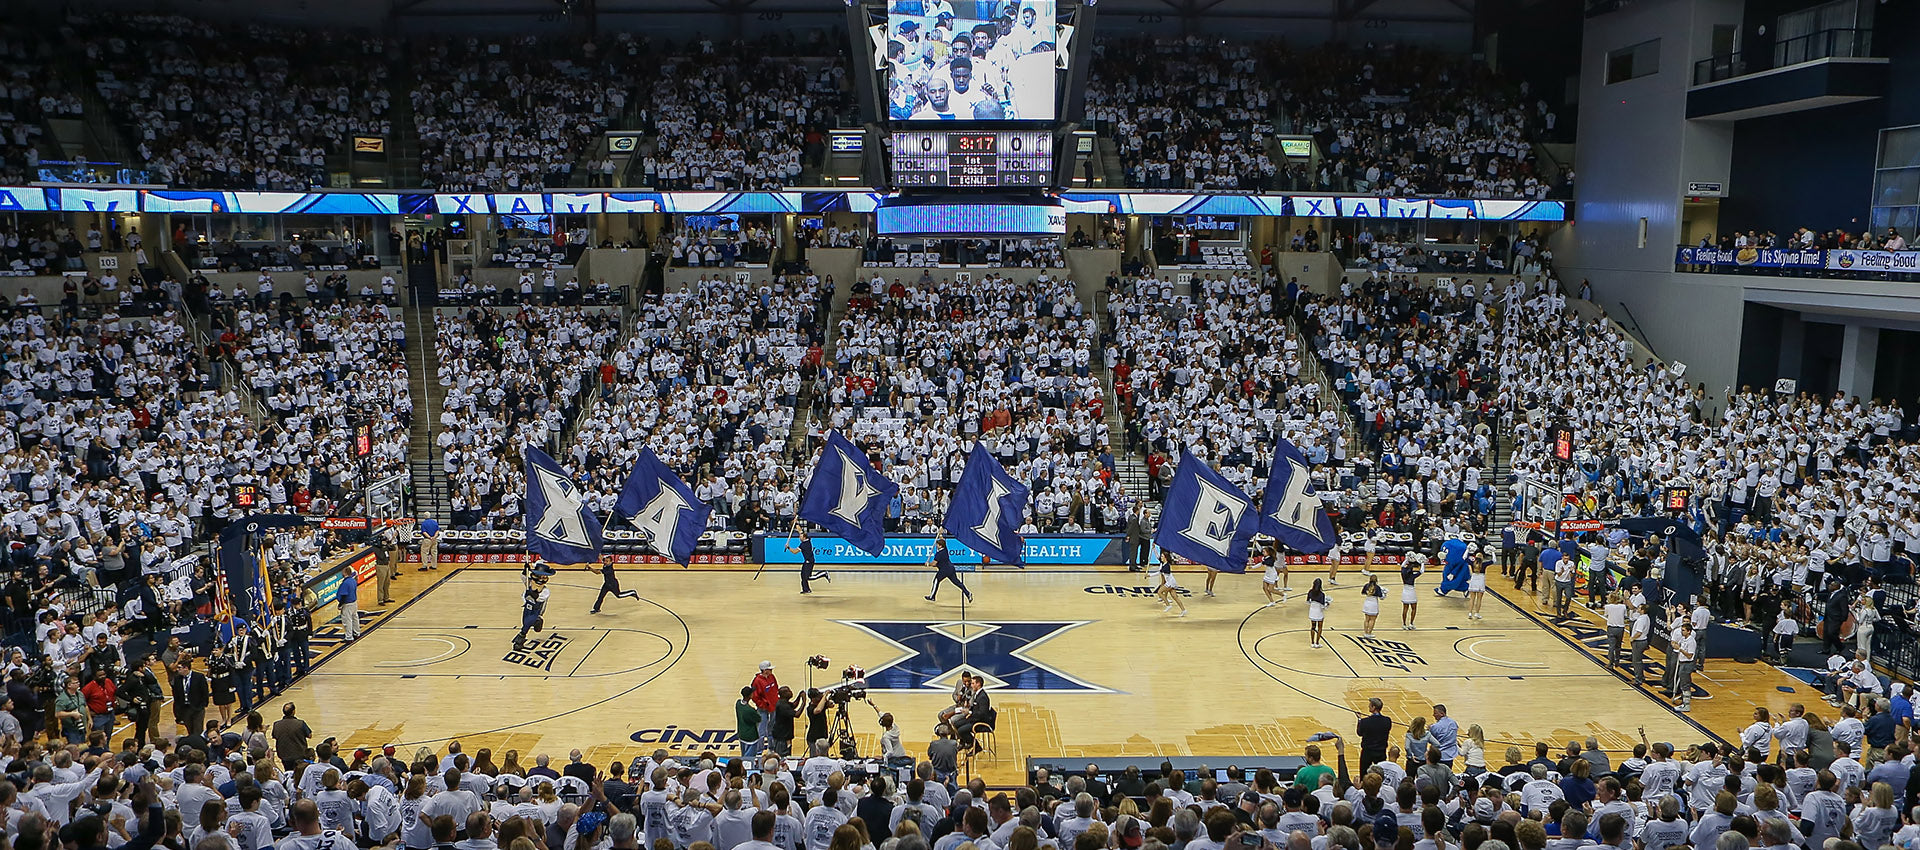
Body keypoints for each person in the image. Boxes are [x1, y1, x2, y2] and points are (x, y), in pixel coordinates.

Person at [514, 565, 554, 651]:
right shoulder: (529, 583)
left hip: (536, 610)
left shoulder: (545, 591)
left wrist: (533, 594)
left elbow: (539, 599)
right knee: (525, 621)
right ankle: (536, 622)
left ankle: (521, 638)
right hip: (527, 607)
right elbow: (523, 578)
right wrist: (525, 570)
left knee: (527, 624)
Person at [926, 533, 972, 603]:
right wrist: (940, 535)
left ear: (940, 546)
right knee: (957, 582)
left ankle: (932, 596)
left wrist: (928, 564)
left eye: (937, 544)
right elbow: (943, 540)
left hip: (944, 570)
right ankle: (968, 593)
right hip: (951, 568)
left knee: (936, 581)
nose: (936, 545)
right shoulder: (945, 549)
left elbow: (934, 563)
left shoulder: (939, 554)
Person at [1156, 551, 1187, 617]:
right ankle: (1184, 610)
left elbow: (1159, 573)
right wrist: (1154, 549)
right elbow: (1158, 557)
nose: (1161, 558)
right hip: (1171, 582)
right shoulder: (1164, 563)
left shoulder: (1166, 566)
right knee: (1175, 597)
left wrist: (1149, 575)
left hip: (1170, 583)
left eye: (1162, 556)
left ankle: (1168, 605)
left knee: (1159, 592)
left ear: (1165, 558)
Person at [736, 686, 763, 762]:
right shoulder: (750, 710)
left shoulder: (738, 703)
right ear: (750, 695)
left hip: (741, 734)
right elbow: (758, 719)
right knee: (749, 760)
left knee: (744, 755)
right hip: (751, 737)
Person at [336, 565, 361, 642]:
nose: (341, 573)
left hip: (347, 604)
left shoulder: (346, 583)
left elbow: (344, 595)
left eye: (343, 571)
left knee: (347, 620)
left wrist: (340, 604)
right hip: (354, 602)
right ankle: (357, 633)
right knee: (355, 618)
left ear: (345, 572)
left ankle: (349, 637)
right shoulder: (353, 580)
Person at [1306, 579, 1330, 649]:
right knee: (1319, 628)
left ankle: (1312, 642)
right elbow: (1323, 606)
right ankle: (1317, 643)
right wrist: (1327, 604)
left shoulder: (1310, 592)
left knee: (1313, 627)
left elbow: (1308, 602)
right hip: (1319, 612)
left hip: (1312, 612)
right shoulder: (1322, 594)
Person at [1401, 554, 1423, 630]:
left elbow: (1402, 565)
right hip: (1411, 592)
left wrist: (1407, 559)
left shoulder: (1403, 572)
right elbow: (1421, 571)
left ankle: (1404, 624)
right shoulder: (1413, 576)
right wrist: (1422, 563)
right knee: (1414, 608)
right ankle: (1411, 623)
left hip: (1405, 591)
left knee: (1405, 608)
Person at [1465, 554, 1488, 620]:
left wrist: (1468, 550)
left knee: (1472, 598)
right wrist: (1492, 552)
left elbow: (1464, 557)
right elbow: (1494, 560)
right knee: (1479, 599)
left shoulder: (1472, 563)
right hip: (1480, 581)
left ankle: (1470, 613)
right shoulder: (1484, 564)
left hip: (1473, 580)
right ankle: (1477, 613)